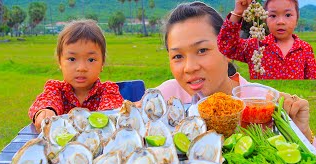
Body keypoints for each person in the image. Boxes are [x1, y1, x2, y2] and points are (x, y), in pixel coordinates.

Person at [156, 2, 315, 146]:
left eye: (202, 50)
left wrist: (302, 132)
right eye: (178, 56)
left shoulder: (262, 102)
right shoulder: (167, 96)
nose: (189, 68)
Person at [29, 19, 124, 132]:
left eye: (91, 59)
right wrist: (45, 112)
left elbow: (111, 113)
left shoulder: (108, 90)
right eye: (72, 59)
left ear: (102, 63)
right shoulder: (55, 89)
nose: (81, 68)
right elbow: (48, 100)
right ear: (60, 61)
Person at [217, 0, 316, 79]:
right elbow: (226, 46)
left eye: (288, 15)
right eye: (273, 16)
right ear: (265, 19)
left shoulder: (305, 49)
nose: (280, 22)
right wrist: (238, 12)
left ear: (297, 20)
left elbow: (312, 79)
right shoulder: (255, 45)